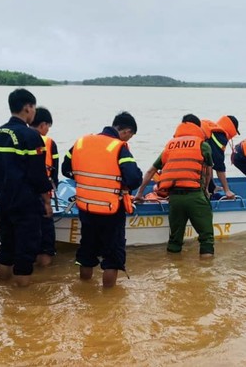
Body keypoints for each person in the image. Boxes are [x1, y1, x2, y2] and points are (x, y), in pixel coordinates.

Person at [61, 112, 143, 287]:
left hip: (86, 208)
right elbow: (134, 178)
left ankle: (85, 292)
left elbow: (65, 169)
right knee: (112, 257)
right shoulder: (119, 147)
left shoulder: (81, 142)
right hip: (111, 210)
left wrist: (86, 182)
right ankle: (108, 301)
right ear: (127, 131)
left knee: (87, 252)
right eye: (130, 136)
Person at [0, 88, 53, 287]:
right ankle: (21, 299)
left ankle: (4, 289)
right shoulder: (31, 136)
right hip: (25, 200)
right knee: (26, 249)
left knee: (6, 245)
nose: (34, 112)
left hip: (3, 197)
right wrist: (46, 200)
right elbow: (37, 174)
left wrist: (3, 187)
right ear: (27, 107)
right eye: (33, 108)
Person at [134, 114, 215, 257]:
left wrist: (139, 194)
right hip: (195, 196)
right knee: (206, 240)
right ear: (197, 128)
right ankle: (206, 274)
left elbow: (150, 171)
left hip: (175, 199)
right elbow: (208, 173)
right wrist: (207, 191)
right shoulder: (203, 145)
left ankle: (173, 271)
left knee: (174, 241)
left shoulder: (170, 146)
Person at [29, 107, 59, 267]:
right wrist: (49, 200)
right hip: (42, 198)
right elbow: (54, 175)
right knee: (46, 244)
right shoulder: (48, 143)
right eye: (48, 126)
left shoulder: (15, 137)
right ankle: (44, 279)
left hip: (19, 196)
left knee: (22, 243)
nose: (48, 130)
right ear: (43, 125)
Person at [201, 115, 240, 200]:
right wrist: (227, 190)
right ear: (233, 129)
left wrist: (213, 185)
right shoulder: (220, 135)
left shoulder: (212, 131)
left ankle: (211, 188)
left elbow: (210, 161)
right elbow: (219, 164)